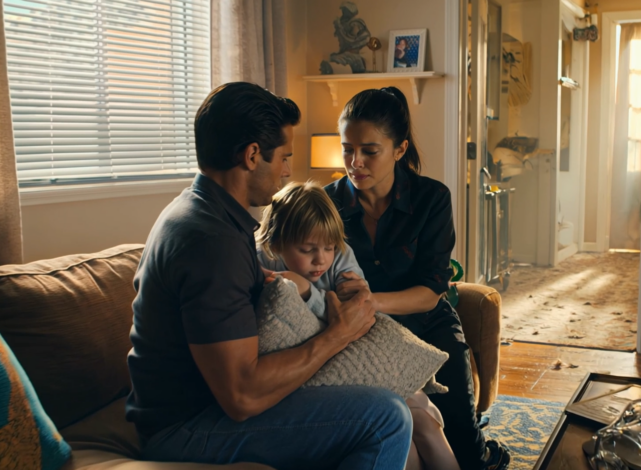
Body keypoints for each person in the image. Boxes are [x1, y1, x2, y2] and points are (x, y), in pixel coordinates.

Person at [126, 82, 412, 470]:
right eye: (284, 157)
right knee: (386, 417)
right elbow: (242, 397)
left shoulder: (200, 211)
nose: (288, 171)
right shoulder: (212, 242)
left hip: (192, 413)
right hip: (186, 428)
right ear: (252, 155)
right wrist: (338, 334)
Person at [325, 87, 512, 470]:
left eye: (369, 151)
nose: (355, 162)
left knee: (460, 428)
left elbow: (431, 290)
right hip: (360, 329)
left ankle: (478, 454)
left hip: (426, 320)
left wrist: (372, 301)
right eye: (347, 149)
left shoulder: (432, 198)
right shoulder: (326, 203)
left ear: (399, 149)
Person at [255, 180, 462, 470]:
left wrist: (307, 291)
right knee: (407, 428)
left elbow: (356, 311)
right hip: (319, 362)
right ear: (277, 243)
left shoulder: (340, 256)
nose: (321, 259)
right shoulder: (260, 263)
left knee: (424, 420)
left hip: (357, 346)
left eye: (328, 247)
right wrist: (313, 297)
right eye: (307, 249)